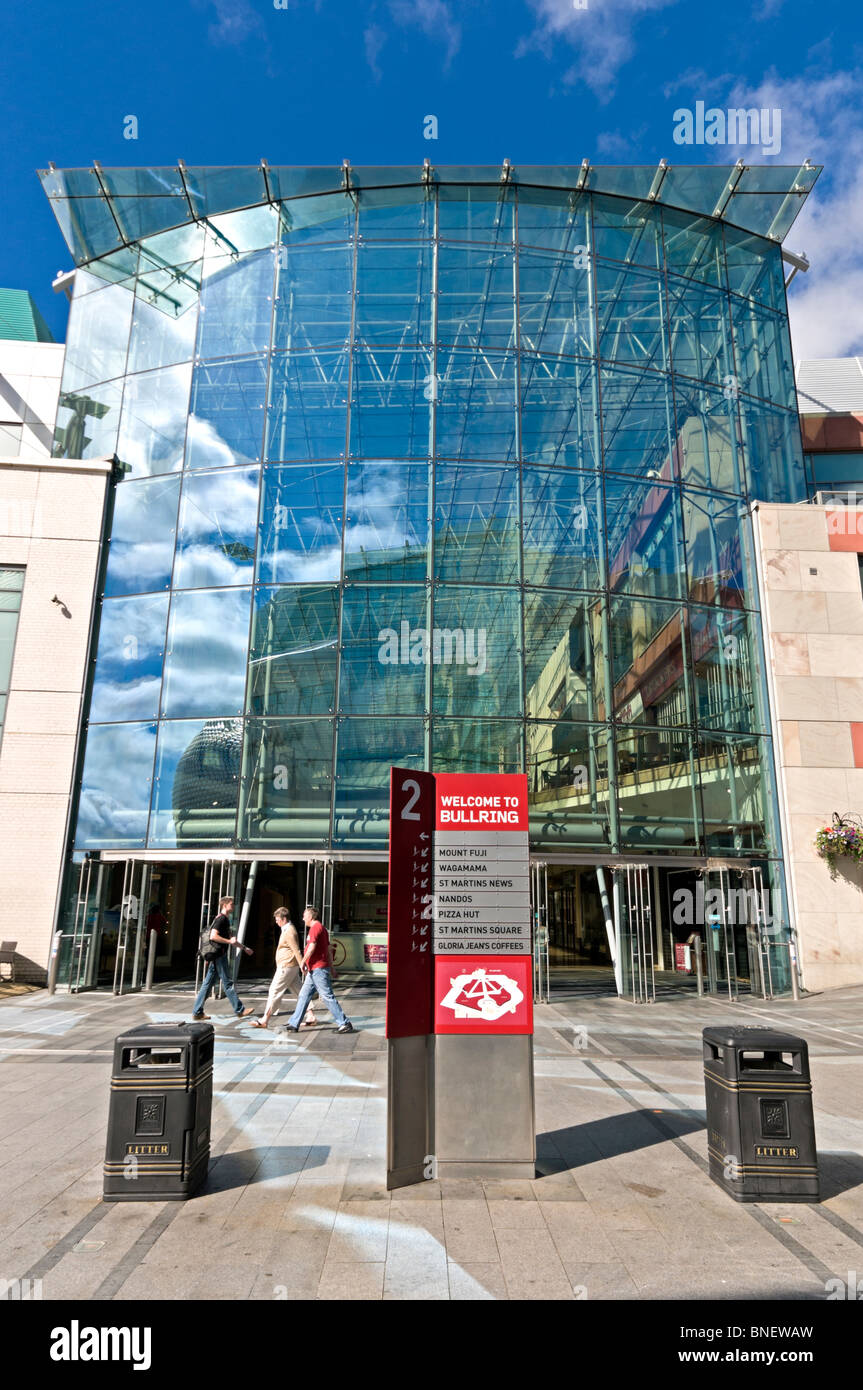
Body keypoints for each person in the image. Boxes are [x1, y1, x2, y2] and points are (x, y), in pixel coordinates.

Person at [280, 905, 353, 1034]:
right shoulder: (322, 929)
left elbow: (312, 947)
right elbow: (328, 950)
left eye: (304, 916)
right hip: (315, 970)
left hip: (318, 969)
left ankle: (344, 1023)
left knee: (326, 996)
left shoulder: (315, 928)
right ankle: (294, 1023)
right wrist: (332, 968)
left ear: (310, 916)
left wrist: (302, 961)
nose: (303, 919)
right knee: (303, 995)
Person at [250, 907, 315, 1030]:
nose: (276, 921)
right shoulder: (286, 929)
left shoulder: (289, 931)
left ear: (284, 919)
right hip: (290, 966)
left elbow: (296, 949)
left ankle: (265, 1019)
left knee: (274, 991)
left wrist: (303, 964)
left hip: (287, 966)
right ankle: (310, 1015)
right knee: (300, 992)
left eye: (278, 919)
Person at [192, 896, 255, 1021]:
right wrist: (229, 942)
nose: (233, 906)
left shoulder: (225, 920)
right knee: (227, 983)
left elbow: (233, 939)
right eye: (231, 904)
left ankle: (197, 1012)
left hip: (218, 956)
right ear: (225, 905)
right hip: (219, 956)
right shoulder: (221, 919)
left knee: (207, 984)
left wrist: (244, 948)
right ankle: (240, 1010)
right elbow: (213, 936)